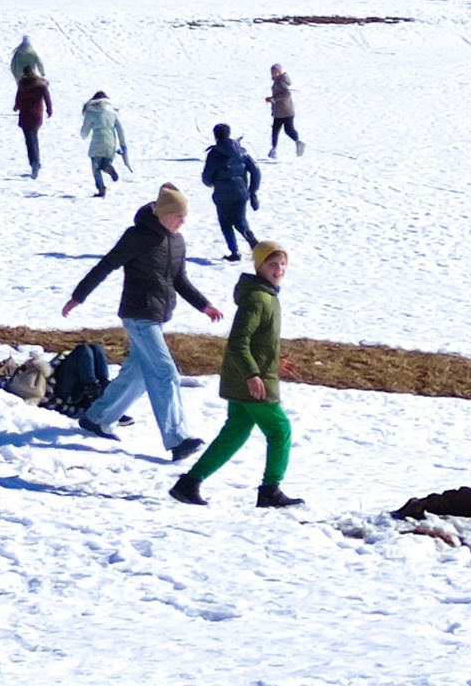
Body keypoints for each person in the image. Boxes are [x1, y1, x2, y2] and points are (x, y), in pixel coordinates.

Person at [62, 182, 221, 458]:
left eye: (184, 216)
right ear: (162, 214)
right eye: (177, 216)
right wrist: (78, 296)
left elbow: (180, 280)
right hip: (138, 315)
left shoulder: (177, 241)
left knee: (137, 374)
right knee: (165, 373)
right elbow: (106, 265)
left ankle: (97, 418)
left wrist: (204, 305)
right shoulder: (137, 236)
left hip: (158, 317)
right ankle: (177, 438)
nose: (182, 221)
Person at [170, 240, 301, 509]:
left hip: (246, 376)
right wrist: (253, 374)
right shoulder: (257, 298)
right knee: (280, 431)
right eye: (272, 264)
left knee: (236, 432)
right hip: (250, 380)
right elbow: (239, 341)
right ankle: (270, 490)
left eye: (282, 264)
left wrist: (272, 362)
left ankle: (189, 483)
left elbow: (259, 342)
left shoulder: (267, 296)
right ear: (259, 266)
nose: (279, 269)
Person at [200, 122, 261, 259]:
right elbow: (256, 171)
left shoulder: (214, 154)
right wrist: (253, 191)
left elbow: (207, 177)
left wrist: (210, 183)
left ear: (215, 136)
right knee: (240, 221)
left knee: (225, 223)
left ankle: (234, 252)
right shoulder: (241, 151)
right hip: (241, 193)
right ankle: (253, 243)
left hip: (222, 195)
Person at [77, 91, 129, 196]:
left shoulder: (90, 113)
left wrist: (83, 133)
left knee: (96, 168)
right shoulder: (113, 113)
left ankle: (101, 188)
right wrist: (123, 145)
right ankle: (108, 168)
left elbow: (84, 133)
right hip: (110, 144)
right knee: (105, 163)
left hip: (97, 144)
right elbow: (120, 131)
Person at [14, 67, 53, 180]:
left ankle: (34, 162)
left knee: (29, 140)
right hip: (36, 115)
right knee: (34, 137)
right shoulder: (41, 85)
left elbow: (18, 99)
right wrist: (49, 110)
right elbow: (47, 98)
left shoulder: (22, 85)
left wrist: (16, 107)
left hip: (25, 114)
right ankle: (36, 161)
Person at [267, 64, 303, 158]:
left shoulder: (280, 82)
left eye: (275, 71)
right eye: (272, 71)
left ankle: (274, 149)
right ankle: (296, 142)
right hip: (282, 111)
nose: (273, 73)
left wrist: (274, 99)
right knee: (281, 130)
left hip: (284, 111)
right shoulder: (279, 81)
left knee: (282, 130)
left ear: (279, 72)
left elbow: (287, 94)